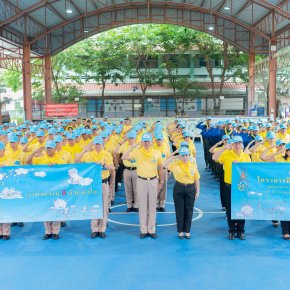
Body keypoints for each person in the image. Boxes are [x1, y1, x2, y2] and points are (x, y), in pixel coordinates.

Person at [122, 133, 164, 239]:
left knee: (152, 206)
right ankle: (143, 230)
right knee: (143, 206)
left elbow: (160, 168)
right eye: (144, 141)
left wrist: (161, 182)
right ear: (141, 142)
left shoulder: (156, 153)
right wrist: (132, 146)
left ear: (151, 141)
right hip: (141, 181)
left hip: (153, 181)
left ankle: (151, 229)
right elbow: (124, 157)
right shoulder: (137, 152)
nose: (146, 143)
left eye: (148, 141)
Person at [75, 136, 115, 239]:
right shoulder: (88, 155)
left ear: (102, 144)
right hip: (92, 184)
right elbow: (77, 159)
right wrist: (85, 149)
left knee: (104, 206)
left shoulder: (107, 154)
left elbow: (112, 167)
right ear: (93, 145)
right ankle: (94, 229)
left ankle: (102, 229)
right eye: (96, 144)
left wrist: (104, 164)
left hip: (103, 183)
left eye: (99, 144)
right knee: (93, 205)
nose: (97, 146)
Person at [212, 136, 251, 240]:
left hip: (242, 186)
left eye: (239, 143)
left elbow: (249, 172)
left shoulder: (246, 156)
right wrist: (224, 148)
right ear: (232, 144)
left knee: (242, 207)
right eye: (235, 143)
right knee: (230, 209)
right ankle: (232, 230)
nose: (237, 146)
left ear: (242, 144)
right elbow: (214, 158)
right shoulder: (226, 154)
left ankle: (241, 230)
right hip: (229, 186)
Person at [27, 140, 65, 240]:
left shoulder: (60, 158)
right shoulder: (41, 158)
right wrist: (35, 151)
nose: (48, 150)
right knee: (46, 208)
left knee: (57, 207)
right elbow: (28, 162)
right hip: (44, 188)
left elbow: (64, 170)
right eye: (47, 148)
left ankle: (56, 231)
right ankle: (48, 231)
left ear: (54, 148)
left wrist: (56, 166)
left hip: (57, 187)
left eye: (50, 148)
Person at [163, 146, 200, 239]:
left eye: (186, 155)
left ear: (189, 155)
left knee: (189, 210)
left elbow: (196, 180)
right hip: (179, 187)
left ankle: (187, 231)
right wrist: (175, 157)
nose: (184, 157)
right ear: (180, 156)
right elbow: (164, 165)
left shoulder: (193, 165)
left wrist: (197, 191)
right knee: (179, 210)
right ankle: (180, 231)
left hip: (190, 188)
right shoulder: (175, 164)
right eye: (182, 156)